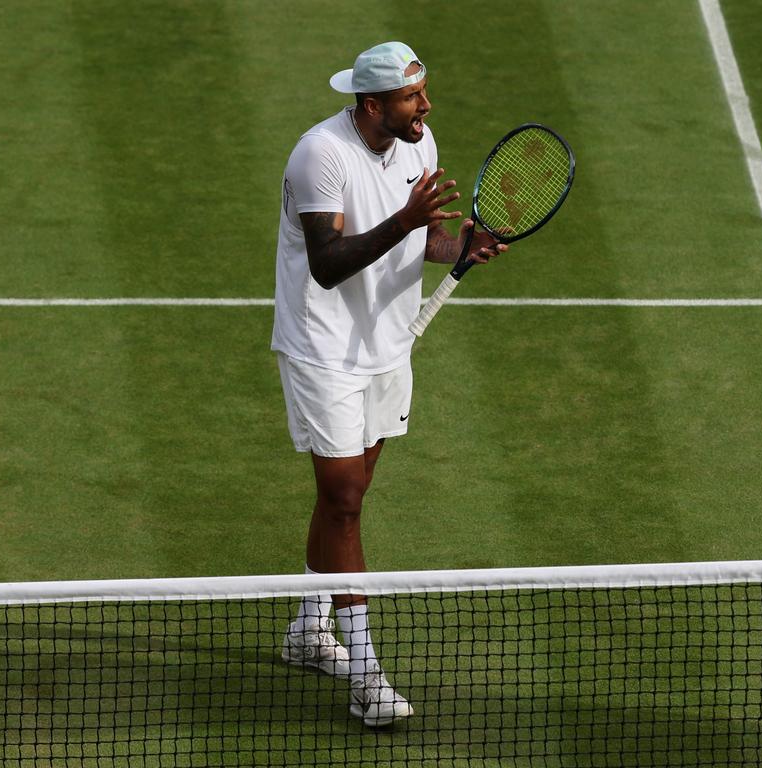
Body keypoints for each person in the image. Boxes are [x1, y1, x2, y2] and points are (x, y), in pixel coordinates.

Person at [270, 41, 506, 727]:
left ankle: (309, 630)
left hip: (388, 346)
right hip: (324, 350)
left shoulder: (419, 144)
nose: (425, 107)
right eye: (412, 98)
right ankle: (368, 677)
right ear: (372, 104)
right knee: (343, 499)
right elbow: (326, 263)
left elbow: (420, 244)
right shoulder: (320, 155)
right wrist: (404, 221)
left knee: (347, 497)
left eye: (423, 95)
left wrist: (459, 245)